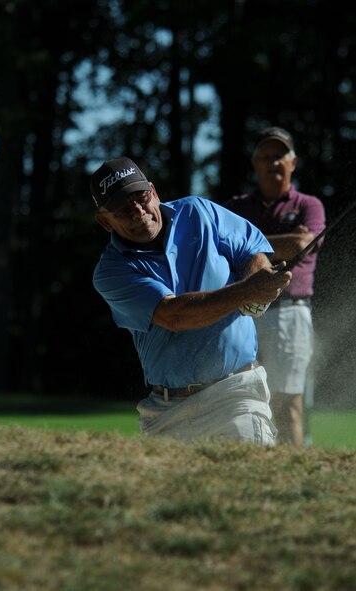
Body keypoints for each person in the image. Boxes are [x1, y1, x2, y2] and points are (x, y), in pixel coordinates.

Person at [90, 156, 292, 445]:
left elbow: (252, 249)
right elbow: (175, 316)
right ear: (104, 221)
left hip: (236, 393)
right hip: (166, 410)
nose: (137, 211)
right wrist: (248, 291)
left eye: (142, 198)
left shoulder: (199, 211)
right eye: (122, 208)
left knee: (251, 485)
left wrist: (259, 282)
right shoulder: (111, 272)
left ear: (154, 192)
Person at [223, 127, 326, 447]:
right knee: (240, 402)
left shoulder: (310, 205)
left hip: (289, 314)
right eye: (265, 156)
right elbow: (221, 249)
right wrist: (286, 242)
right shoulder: (236, 206)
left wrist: (247, 244)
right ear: (255, 164)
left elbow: (303, 244)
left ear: (293, 162)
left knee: (287, 404)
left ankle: (290, 481)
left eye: (279, 155)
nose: (272, 162)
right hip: (240, 314)